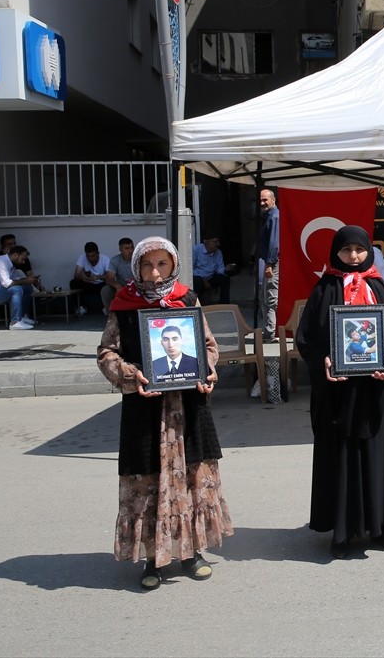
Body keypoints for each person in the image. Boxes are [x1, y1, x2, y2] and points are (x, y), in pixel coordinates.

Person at [96, 236, 232, 589]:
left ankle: (191, 553)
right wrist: (131, 374)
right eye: (147, 264)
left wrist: (207, 370)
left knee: (191, 478)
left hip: (187, 409)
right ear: (136, 267)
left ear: (173, 266)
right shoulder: (124, 304)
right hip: (145, 409)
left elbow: (208, 346)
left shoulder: (187, 299)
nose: (155, 273)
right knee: (148, 484)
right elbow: (107, 353)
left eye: (162, 264)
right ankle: (153, 560)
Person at [295, 226, 384, 559]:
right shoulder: (325, 289)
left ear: (369, 252)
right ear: (335, 252)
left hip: (377, 391)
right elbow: (307, 338)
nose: (353, 256)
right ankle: (342, 530)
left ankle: (381, 527)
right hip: (339, 394)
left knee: (380, 457)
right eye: (346, 250)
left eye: (359, 250)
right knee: (342, 457)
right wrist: (324, 359)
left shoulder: (380, 287)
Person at [258, 188, 280, 339]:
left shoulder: (274, 217)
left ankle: (271, 331)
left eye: (265, 199)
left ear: (273, 200)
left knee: (271, 297)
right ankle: (269, 330)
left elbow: (274, 243)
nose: (262, 203)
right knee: (265, 296)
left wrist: (270, 263)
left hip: (273, 263)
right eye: (260, 200)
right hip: (268, 261)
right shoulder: (269, 216)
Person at [70, 241, 109, 315]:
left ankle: (105, 307)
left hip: (100, 284)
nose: (90, 258)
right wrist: (82, 277)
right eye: (88, 256)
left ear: (98, 253)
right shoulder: (82, 257)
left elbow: (110, 276)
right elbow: (76, 275)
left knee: (109, 284)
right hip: (88, 284)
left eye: (93, 255)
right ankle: (81, 307)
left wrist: (98, 277)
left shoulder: (105, 259)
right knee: (73, 282)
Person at [192, 235, 234, 303]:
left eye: (218, 242)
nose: (218, 244)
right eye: (215, 242)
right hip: (199, 278)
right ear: (206, 242)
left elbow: (219, 270)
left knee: (225, 278)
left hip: (210, 277)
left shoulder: (218, 252)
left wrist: (225, 269)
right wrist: (203, 280)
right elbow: (190, 269)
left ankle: (224, 304)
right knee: (197, 281)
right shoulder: (196, 250)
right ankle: (196, 304)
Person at [101, 238, 135, 310]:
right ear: (120, 250)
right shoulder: (115, 260)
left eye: (132, 247)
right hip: (122, 287)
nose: (131, 251)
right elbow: (109, 279)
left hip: (137, 287)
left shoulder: (139, 259)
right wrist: (117, 286)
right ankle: (111, 313)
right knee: (105, 290)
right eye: (127, 248)